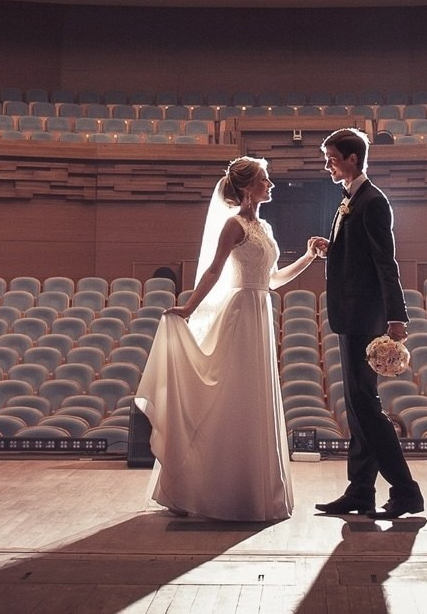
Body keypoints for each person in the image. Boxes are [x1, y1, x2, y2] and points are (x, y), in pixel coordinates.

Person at [135, 156, 326, 521]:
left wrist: (308, 256)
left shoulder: (264, 227)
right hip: (240, 313)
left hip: (259, 309)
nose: (271, 184)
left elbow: (272, 280)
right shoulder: (233, 225)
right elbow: (213, 270)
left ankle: (250, 493)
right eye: (265, 179)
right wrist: (189, 308)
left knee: (254, 399)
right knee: (235, 398)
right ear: (247, 186)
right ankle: (213, 491)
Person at [314, 128, 425, 519]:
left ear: (351, 158)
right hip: (352, 314)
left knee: (366, 407)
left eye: (331, 157)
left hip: (366, 317)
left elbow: (385, 264)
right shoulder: (351, 199)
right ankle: (360, 491)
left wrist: (396, 318)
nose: (327, 164)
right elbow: (360, 256)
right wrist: (334, 249)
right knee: (359, 406)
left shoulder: (373, 201)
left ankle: (406, 491)